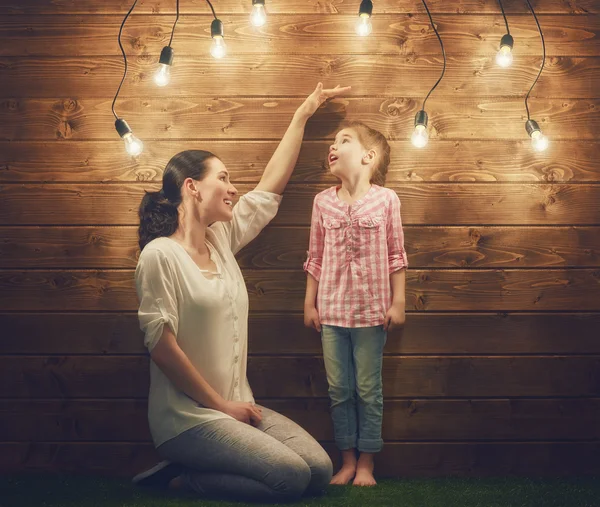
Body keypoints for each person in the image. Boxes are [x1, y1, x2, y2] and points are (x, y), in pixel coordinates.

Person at [132, 83, 351, 502]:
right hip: (189, 418)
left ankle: (195, 469)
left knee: (319, 471)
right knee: (289, 477)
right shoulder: (160, 256)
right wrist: (220, 405)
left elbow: (270, 188)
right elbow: (161, 348)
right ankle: (184, 476)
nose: (234, 188)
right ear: (193, 187)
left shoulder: (221, 240)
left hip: (238, 406)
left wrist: (302, 115)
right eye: (224, 178)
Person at [303, 121, 408, 486]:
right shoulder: (322, 203)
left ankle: (367, 463)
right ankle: (346, 460)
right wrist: (309, 304)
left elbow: (396, 254)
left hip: (371, 314)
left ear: (369, 156)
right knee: (339, 389)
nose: (333, 146)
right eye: (332, 142)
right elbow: (314, 257)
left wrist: (399, 301)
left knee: (368, 389)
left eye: (343, 140)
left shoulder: (386, 199)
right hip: (331, 313)